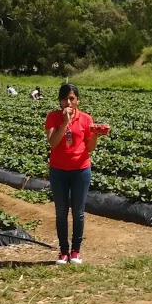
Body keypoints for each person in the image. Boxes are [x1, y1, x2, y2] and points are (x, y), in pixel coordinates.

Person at [44, 84, 109, 265]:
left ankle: (75, 251)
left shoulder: (86, 119)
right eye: (65, 99)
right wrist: (65, 123)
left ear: (77, 100)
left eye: (72, 98)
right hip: (58, 171)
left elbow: (89, 148)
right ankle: (63, 252)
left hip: (81, 170)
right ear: (60, 101)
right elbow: (53, 143)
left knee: (78, 211)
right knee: (61, 211)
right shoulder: (53, 117)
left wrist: (95, 134)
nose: (68, 102)